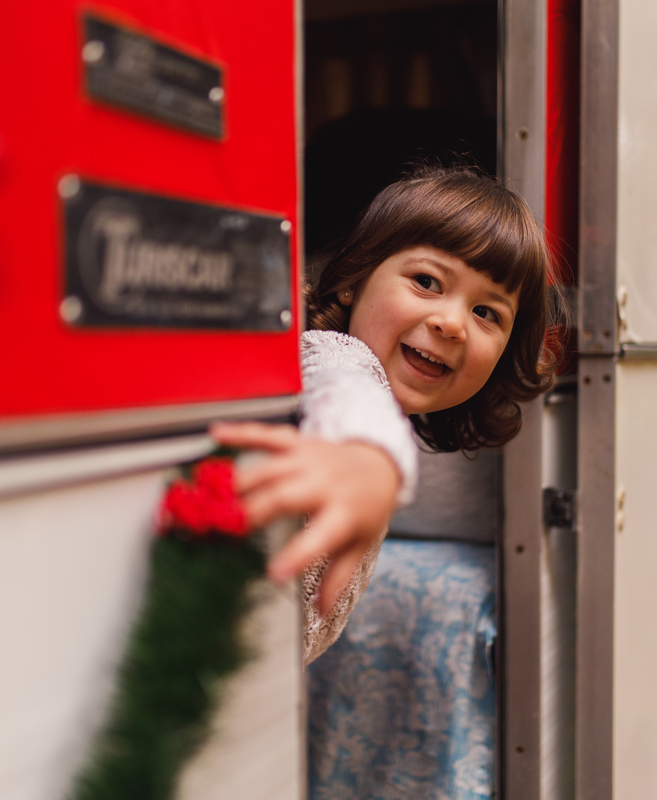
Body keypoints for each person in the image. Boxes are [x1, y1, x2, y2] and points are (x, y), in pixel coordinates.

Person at [216, 164, 556, 798]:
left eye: (488, 312)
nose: (453, 322)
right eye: (427, 282)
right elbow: (347, 398)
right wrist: (367, 462)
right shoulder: (338, 359)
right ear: (353, 280)